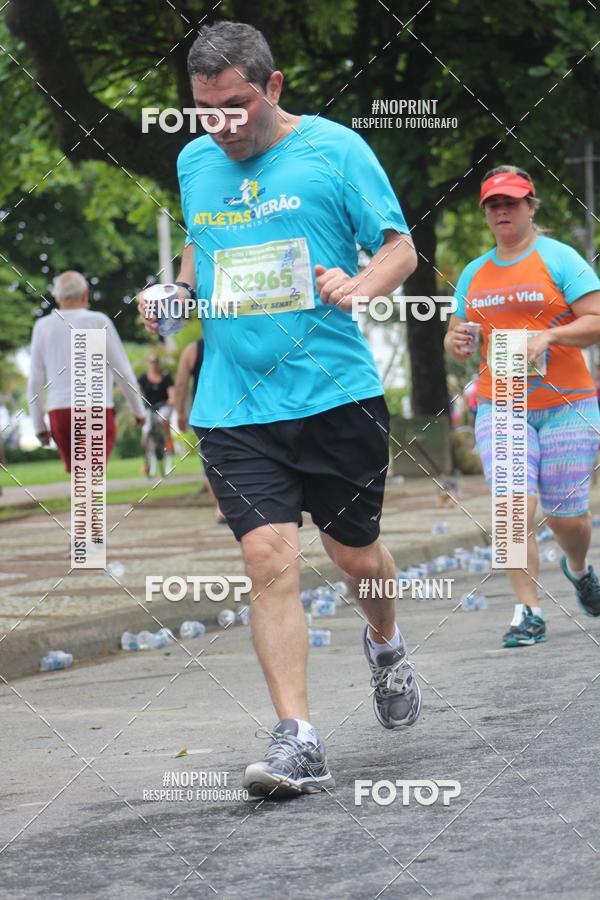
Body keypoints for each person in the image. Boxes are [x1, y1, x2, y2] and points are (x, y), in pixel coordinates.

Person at [139, 21, 420, 799]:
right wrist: (177, 292)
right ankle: (298, 737)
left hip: (336, 397)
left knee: (357, 557)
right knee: (269, 560)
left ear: (275, 87)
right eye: (204, 109)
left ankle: (387, 643)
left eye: (235, 105)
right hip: (235, 406)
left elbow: (401, 247)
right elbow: (203, 248)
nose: (222, 125)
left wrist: (360, 287)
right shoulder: (195, 160)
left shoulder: (334, 150)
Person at [445, 165, 600, 648]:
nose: (503, 211)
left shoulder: (561, 259)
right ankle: (527, 612)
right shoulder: (474, 272)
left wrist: (550, 334)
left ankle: (578, 568)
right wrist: (457, 340)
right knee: (513, 506)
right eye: (494, 204)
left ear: (532, 207)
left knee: (566, 517)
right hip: (501, 403)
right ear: (486, 215)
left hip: (567, 404)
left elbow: (596, 319)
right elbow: (457, 332)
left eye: (512, 202)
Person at [28, 270, 145, 471]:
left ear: (57, 297)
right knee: (90, 478)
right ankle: (88, 503)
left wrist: (39, 426)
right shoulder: (98, 321)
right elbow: (122, 372)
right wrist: (138, 410)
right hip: (95, 409)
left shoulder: (42, 326)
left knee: (81, 477)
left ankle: (85, 503)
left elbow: (35, 380)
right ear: (85, 295)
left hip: (60, 412)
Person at [173, 337, 224, 521]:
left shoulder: (193, 349)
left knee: (210, 459)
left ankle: (220, 506)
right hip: (235, 409)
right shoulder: (231, 340)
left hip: (205, 413)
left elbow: (181, 383)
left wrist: (179, 412)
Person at [138, 354, 175, 474]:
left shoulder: (165, 377)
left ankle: (168, 456)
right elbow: (137, 391)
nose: (153, 364)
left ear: (158, 363)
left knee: (163, 422)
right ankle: (150, 462)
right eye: (151, 362)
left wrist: (170, 399)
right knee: (147, 431)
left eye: (155, 362)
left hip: (162, 406)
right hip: (149, 408)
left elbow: (172, 394)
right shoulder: (143, 378)